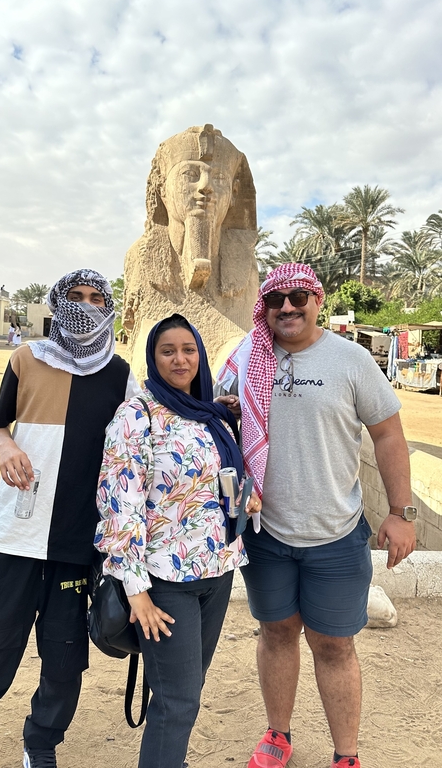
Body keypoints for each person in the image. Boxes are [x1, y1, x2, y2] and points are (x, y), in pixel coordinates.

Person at [215, 263, 416, 768]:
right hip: (266, 533)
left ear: (317, 300)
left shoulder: (351, 360)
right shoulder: (244, 359)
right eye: (277, 298)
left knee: (334, 645)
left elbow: (388, 434)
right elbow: (212, 427)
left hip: (336, 535)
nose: (287, 307)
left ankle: (345, 755)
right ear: (266, 304)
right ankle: (277, 735)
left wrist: (401, 512)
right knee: (277, 633)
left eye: (298, 297)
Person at [0, 269, 139, 768]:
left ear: (109, 306)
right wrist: (7, 447)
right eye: (75, 297)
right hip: (13, 537)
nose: (85, 306)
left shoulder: (121, 374)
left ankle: (40, 745)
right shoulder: (25, 358)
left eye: (96, 298)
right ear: (56, 303)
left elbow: (145, 440)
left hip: (75, 545)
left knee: (64, 663)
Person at [95, 314, 255, 768]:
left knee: (185, 692)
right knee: (177, 702)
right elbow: (118, 504)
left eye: (189, 349)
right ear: (153, 357)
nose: (181, 359)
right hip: (165, 580)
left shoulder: (212, 414)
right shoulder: (136, 414)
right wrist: (136, 592)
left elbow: (220, 481)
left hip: (217, 570)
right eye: (168, 351)